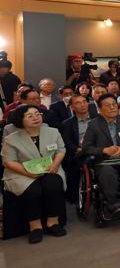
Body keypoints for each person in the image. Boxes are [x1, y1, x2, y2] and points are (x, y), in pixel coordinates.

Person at [1, 105, 68, 244]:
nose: (36, 118)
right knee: (32, 191)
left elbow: (61, 150)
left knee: (53, 185)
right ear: (21, 120)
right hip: (21, 172)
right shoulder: (11, 139)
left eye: (37, 114)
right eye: (30, 116)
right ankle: (35, 227)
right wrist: (28, 172)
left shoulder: (53, 132)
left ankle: (53, 222)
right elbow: (8, 162)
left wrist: (55, 164)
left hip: (50, 168)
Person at [81, 93, 120, 218]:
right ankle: (113, 203)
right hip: (105, 161)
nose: (112, 107)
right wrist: (104, 150)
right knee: (107, 171)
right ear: (100, 109)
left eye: (114, 104)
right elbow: (87, 148)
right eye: (108, 105)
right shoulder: (94, 125)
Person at [60, 94, 96, 204]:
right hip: (80, 152)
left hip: (98, 149)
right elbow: (67, 142)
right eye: (78, 103)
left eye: (84, 101)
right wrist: (77, 149)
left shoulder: (98, 119)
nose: (82, 105)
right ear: (72, 107)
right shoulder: (67, 124)